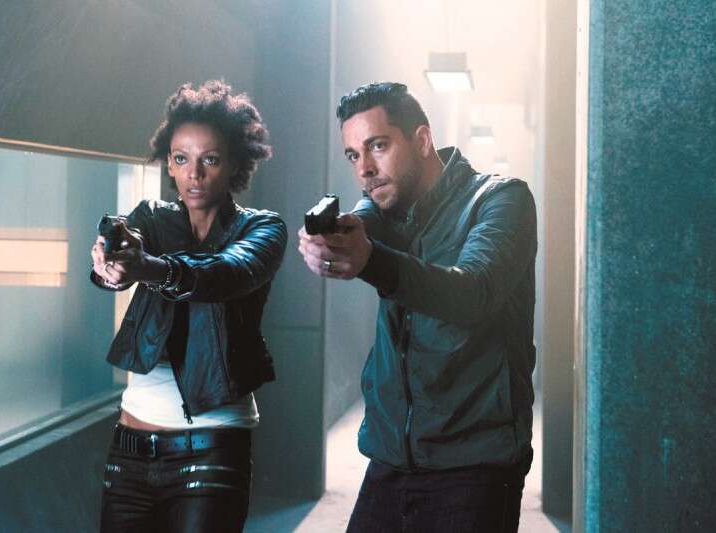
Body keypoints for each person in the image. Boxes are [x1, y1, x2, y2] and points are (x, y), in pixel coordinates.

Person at [298, 82, 536, 532]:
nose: (365, 169)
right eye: (353, 155)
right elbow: (361, 221)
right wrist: (326, 242)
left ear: (422, 140)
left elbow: (475, 291)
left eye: (378, 146)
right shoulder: (384, 205)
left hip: (474, 465)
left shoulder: (502, 199)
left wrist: (371, 259)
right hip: (391, 457)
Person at [90, 80, 286, 532]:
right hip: (130, 450)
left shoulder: (262, 228)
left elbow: (225, 273)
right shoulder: (150, 217)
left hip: (213, 447)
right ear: (169, 164)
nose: (194, 173)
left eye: (209, 159)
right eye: (181, 159)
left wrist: (151, 268)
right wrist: (109, 267)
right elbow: (120, 259)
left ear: (234, 163)